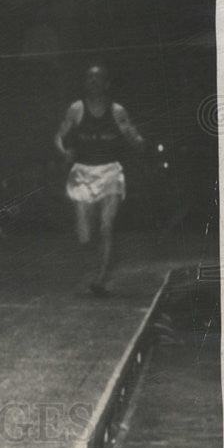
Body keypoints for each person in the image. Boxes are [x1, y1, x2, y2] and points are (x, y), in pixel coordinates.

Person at [54, 65, 144, 295]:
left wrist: (137, 140)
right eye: (89, 78)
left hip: (110, 172)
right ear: (85, 83)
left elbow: (133, 135)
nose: (93, 81)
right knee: (85, 235)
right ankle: (97, 265)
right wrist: (63, 151)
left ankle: (101, 279)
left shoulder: (117, 111)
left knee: (106, 225)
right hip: (82, 173)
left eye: (98, 78)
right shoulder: (76, 109)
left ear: (106, 84)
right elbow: (59, 136)